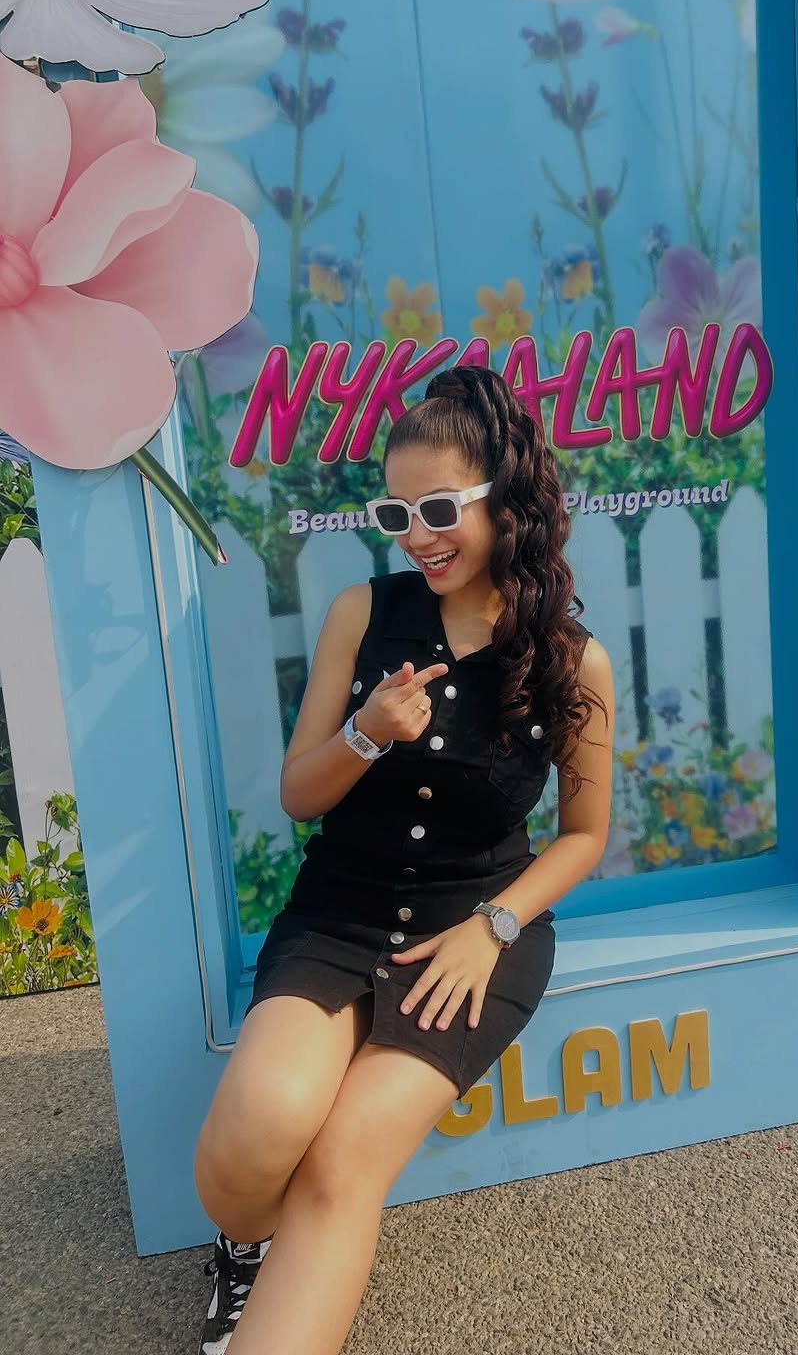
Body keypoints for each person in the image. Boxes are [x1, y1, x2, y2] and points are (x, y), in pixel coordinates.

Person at [193, 364, 614, 1354]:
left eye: (437, 508)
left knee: (342, 1164)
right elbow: (301, 793)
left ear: (505, 498)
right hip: (339, 909)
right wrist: (366, 734)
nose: (416, 536)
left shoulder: (572, 659)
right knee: (257, 1134)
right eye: (395, 513)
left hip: (477, 930)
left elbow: (584, 836)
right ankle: (244, 1246)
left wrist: (493, 928)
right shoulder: (361, 613)